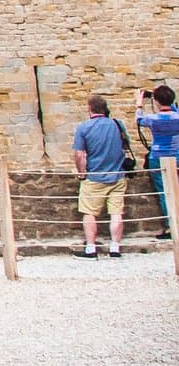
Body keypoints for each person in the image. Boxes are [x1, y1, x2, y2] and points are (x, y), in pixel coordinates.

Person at [72, 94, 130, 258]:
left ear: (90, 109)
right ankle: (115, 247)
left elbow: (79, 153)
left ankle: (90, 248)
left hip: (94, 176)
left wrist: (82, 173)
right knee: (116, 212)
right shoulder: (117, 125)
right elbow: (125, 146)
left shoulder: (84, 128)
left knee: (89, 212)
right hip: (117, 175)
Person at [137, 85, 179, 239]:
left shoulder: (152, 119)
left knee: (164, 191)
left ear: (156, 102)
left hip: (158, 156)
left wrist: (139, 103)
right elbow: (174, 110)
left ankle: (171, 226)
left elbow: (139, 120)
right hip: (177, 155)